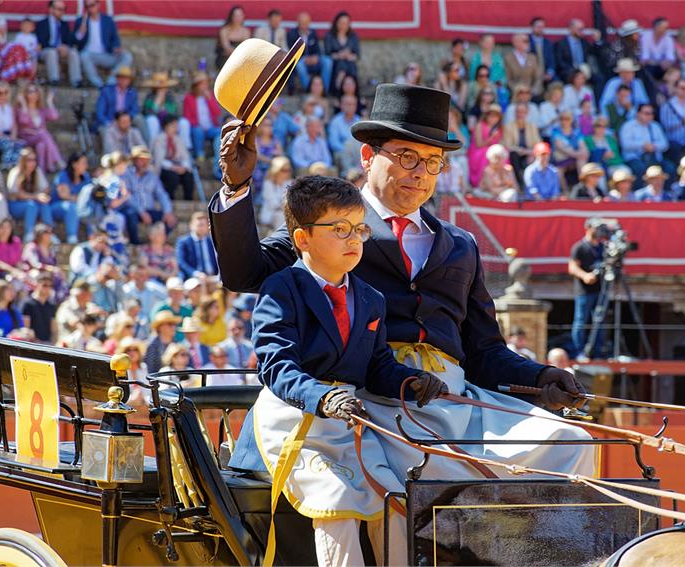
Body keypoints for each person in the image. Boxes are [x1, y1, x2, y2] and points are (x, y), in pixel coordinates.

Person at [212, 86, 593, 549]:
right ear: (368, 156)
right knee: (427, 467)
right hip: (372, 397)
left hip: (452, 400)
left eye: (433, 162)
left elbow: (485, 352)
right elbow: (245, 271)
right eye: (408, 157)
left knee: (567, 440)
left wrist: (541, 377)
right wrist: (235, 189)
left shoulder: (461, 243)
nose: (421, 174)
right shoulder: (330, 222)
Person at [237, 175, 447, 565]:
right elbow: (277, 367)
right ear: (302, 239)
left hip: (347, 420)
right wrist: (323, 398)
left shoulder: (371, 298)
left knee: (396, 504)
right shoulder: (282, 288)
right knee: (338, 504)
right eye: (339, 229)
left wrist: (411, 381)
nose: (354, 239)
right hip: (294, 418)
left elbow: (378, 366)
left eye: (359, 228)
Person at [568, 219, 606, 358]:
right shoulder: (579, 247)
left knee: (600, 320)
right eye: (596, 228)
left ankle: (598, 352)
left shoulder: (604, 247)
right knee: (580, 320)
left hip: (601, 290)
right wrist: (585, 276)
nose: (599, 232)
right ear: (588, 228)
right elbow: (572, 267)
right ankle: (579, 352)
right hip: (584, 290)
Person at [73, 0, 132, 88]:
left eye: (92, 5)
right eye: (87, 6)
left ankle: (111, 82)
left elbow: (115, 38)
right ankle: (98, 84)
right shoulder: (81, 21)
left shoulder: (108, 20)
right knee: (83, 55)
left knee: (127, 56)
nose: (90, 8)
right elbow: (74, 42)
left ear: (98, 4)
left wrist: (116, 47)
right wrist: (80, 33)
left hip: (107, 54)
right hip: (90, 55)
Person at [123, 146, 176, 229]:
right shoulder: (126, 174)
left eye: (147, 160)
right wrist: (141, 212)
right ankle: (135, 242)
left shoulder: (152, 176)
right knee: (131, 215)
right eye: (141, 159)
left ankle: (157, 240)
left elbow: (161, 194)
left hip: (149, 211)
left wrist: (167, 211)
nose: (145, 163)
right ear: (134, 160)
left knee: (171, 221)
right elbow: (127, 197)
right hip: (132, 210)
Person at [7, 147, 52, 241]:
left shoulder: (37, 171)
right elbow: (15, 193)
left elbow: (46, 188)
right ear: (23, 161)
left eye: (34, 160)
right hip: (15, 206)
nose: (33, 162)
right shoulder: (15, 172)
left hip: (33, 204)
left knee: (44, 204)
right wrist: (36, 196)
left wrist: (41, 196)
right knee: (31, 205)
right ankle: (29, 233)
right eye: (29, 160)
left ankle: (49, 232)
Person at [619, 104, 672, 181]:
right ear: (638, 114)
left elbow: (665, 144)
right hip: (635, 158)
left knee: (669, 168)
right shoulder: (628, 126)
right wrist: (643, 145)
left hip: (654, 158)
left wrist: (654, 146)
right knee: (639, 169)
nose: (650, 116)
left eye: (651, 113)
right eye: (647, 113)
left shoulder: (655, 126)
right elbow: (625, 144)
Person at [35, 0, 81, 87]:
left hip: (62, 51)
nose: (62, 12)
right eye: (59, 9)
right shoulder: (42, 24)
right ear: (51, 9)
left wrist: (66, 47)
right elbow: (42, 42)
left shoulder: (64, 24)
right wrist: (56, 47)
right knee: (51, 52)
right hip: (46, 50)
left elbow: (70, 41)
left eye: (63, 9)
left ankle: (76, 81)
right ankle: (54, 80)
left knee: (73, 52)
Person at [151, 115, 194, 201]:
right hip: (165, 168)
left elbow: (184, 157)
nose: (175, 129)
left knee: (188, 176)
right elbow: (159, 160)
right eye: (173, 126)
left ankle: (188, 199)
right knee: (173, 177)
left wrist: (184, 167)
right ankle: (169, 198)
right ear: (166, 126)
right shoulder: (159, 139)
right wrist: (173, 167)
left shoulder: (178, 140)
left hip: (178, 166)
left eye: (176, 126)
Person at [288, 11, 333, 93]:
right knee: (299, 65)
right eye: (301, 23)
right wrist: (305, 59)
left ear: (309, 23)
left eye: (306, 23)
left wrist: (315, 57)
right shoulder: (292, 34)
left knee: (328, 61)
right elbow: (292, 52)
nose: (304, 25)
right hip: (301, 60)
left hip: (313, 60)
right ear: (297, 23)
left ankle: (324, 90)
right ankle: (309, 89)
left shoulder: (312, 32)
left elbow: (318, 49)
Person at [0, 82, 26, 168]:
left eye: (5, 92)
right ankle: (6, 164)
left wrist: (13, 137)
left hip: (7, 135)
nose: (3, 95)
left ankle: (16, 164)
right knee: (7, 143)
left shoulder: (9, 107)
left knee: (20, 143)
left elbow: (14, 125)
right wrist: (4, 137)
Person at [183, 72, 223, 162]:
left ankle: (219, 156)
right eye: (202, 84)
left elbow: (217, 113)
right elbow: (187, 117)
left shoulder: (210, 96)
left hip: (210, 128)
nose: (205, 86)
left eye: (206, 83)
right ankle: (199, 154)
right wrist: (199, 126)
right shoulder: (188, 98)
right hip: (197, 128)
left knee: (220, 132)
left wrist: (210, 100)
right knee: (198, 131)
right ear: (196, 86)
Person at [22, 223, 66, 300]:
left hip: (49, 275)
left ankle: (57, 301)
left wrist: (57, 270)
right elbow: (35, 264)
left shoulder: (50, 249)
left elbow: (54, 264)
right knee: (35, 274)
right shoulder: (31, 247)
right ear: (40, 235)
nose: (50, 236)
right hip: (35, 275)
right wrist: (50, 268)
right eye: (47, 233)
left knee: (60, 277)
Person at [503, 102, 541, 189]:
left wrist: (531, 153)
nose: (520, 114)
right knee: (513, 155)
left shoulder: (532, 126)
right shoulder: (508, 126)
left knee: (538, 157)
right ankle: (520, 185)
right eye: (518, 112)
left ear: (527, 113)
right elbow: (508, 145)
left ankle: (533, 186)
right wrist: (523, 151)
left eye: (523, 112)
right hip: (516, 154)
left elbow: (538, 144)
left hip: (529, 154)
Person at [142, 71, 185, 143]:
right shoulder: (150, 97)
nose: (162, 89)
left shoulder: (170, 97)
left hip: (169, 122)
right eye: (159, 88)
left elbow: (175, 113)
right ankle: (153, 145)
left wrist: (169, 121)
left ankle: (185, 148)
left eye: (164, 87)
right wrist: (157, 102)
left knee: (184, 122)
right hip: (156, 122)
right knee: (152, 120)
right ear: (154, 88)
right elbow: (148, 113)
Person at [0, 217, 27, 286]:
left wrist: (20, 272)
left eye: (7, 227)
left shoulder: (16, 241)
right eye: (2, 227)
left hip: (14, 272)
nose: (5, 230)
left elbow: (18, 261)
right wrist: (14, 271)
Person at [467, 104, 504, 187]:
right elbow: (479, 144)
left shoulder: (499, 128)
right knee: (486, 154)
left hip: (491, 150)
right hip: (477, 151)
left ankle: (498, 182)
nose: (493, 119)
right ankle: (480, 183)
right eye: (491, 116)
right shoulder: (480, 125)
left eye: (496, 116)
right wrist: (491, 137)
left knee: (503, 154)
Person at [324, 11, 360, 95]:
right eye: (341, 23)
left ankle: (344, 90)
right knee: (342, 64)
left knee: (349, 64)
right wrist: (339, 55)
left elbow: (357, 55)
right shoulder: (330, 36)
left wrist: (349, 56)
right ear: (336, 23)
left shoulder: (353, 36)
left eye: (346, 23)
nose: (344, 25)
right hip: (335, 64)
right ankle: (343, 89)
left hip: (349, 62)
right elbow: (327, 54)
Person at [555, 18, 597, 84]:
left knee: (599, 78)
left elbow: (594, 53)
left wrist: (597, 40)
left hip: (585, 71)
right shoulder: (561, 44)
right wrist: (574, 70)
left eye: (583, 29)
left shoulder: (585, 43)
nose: (582, 32)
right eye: (579, 29)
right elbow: (560, 62)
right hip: (569, 71)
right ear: (571, 29)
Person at [176, 212, 217, 280]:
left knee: (230, 286)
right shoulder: (183, 242)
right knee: (197, 286)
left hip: (213, 277)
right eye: (199, 225)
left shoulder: (212, 242)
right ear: (191, 226)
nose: (201, 227)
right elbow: (181, 262)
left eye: (203, 225)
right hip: (192, 277)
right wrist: (195, 273)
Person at [22, 272, 58, 344]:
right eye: (45, 285)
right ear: (37, 284)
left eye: (50, 286)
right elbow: (26, 328)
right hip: (32, 344)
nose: (47, 288)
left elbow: (54, 329)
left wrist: (53, 344)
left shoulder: (52, 305)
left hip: (48, 344)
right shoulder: (28, 303)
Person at [328, 95, 360, 174]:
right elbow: (334, 143)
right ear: (342, 105)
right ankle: (350, 175)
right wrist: (347, 149)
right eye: (348, 104)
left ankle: (359, 174)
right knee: (348, 145)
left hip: (357, 151)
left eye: (353, 104)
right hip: (341, 151)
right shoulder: (335, 121)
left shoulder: (359, 120)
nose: (351, 107)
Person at [259, 156, 293, 227]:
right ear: (276, 170)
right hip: (271, 213)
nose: (286, 173)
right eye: (283, 170)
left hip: (284, 212)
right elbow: (273, 204)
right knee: (280, 216)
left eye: (288, 170)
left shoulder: (290, 183)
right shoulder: (268, 184)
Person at [215, 5, 250, 70]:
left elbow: (246, 50)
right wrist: (239, 52)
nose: (238, 18)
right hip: (225, 60)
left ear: (243, 17)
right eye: (235, 16)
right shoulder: (224, 30)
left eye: (240, 15)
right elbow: (227, 48)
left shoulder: (246, 31)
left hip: (241, 60)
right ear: (231, 16)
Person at [528, 17, 555, 85]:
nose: (540, 29)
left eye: (542, 27)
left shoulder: (548, 43)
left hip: (545, 74)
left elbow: (551, 60)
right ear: (532, 27)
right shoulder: (526, 41)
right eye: (538, 27)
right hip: (531, 74)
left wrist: (550, 73)